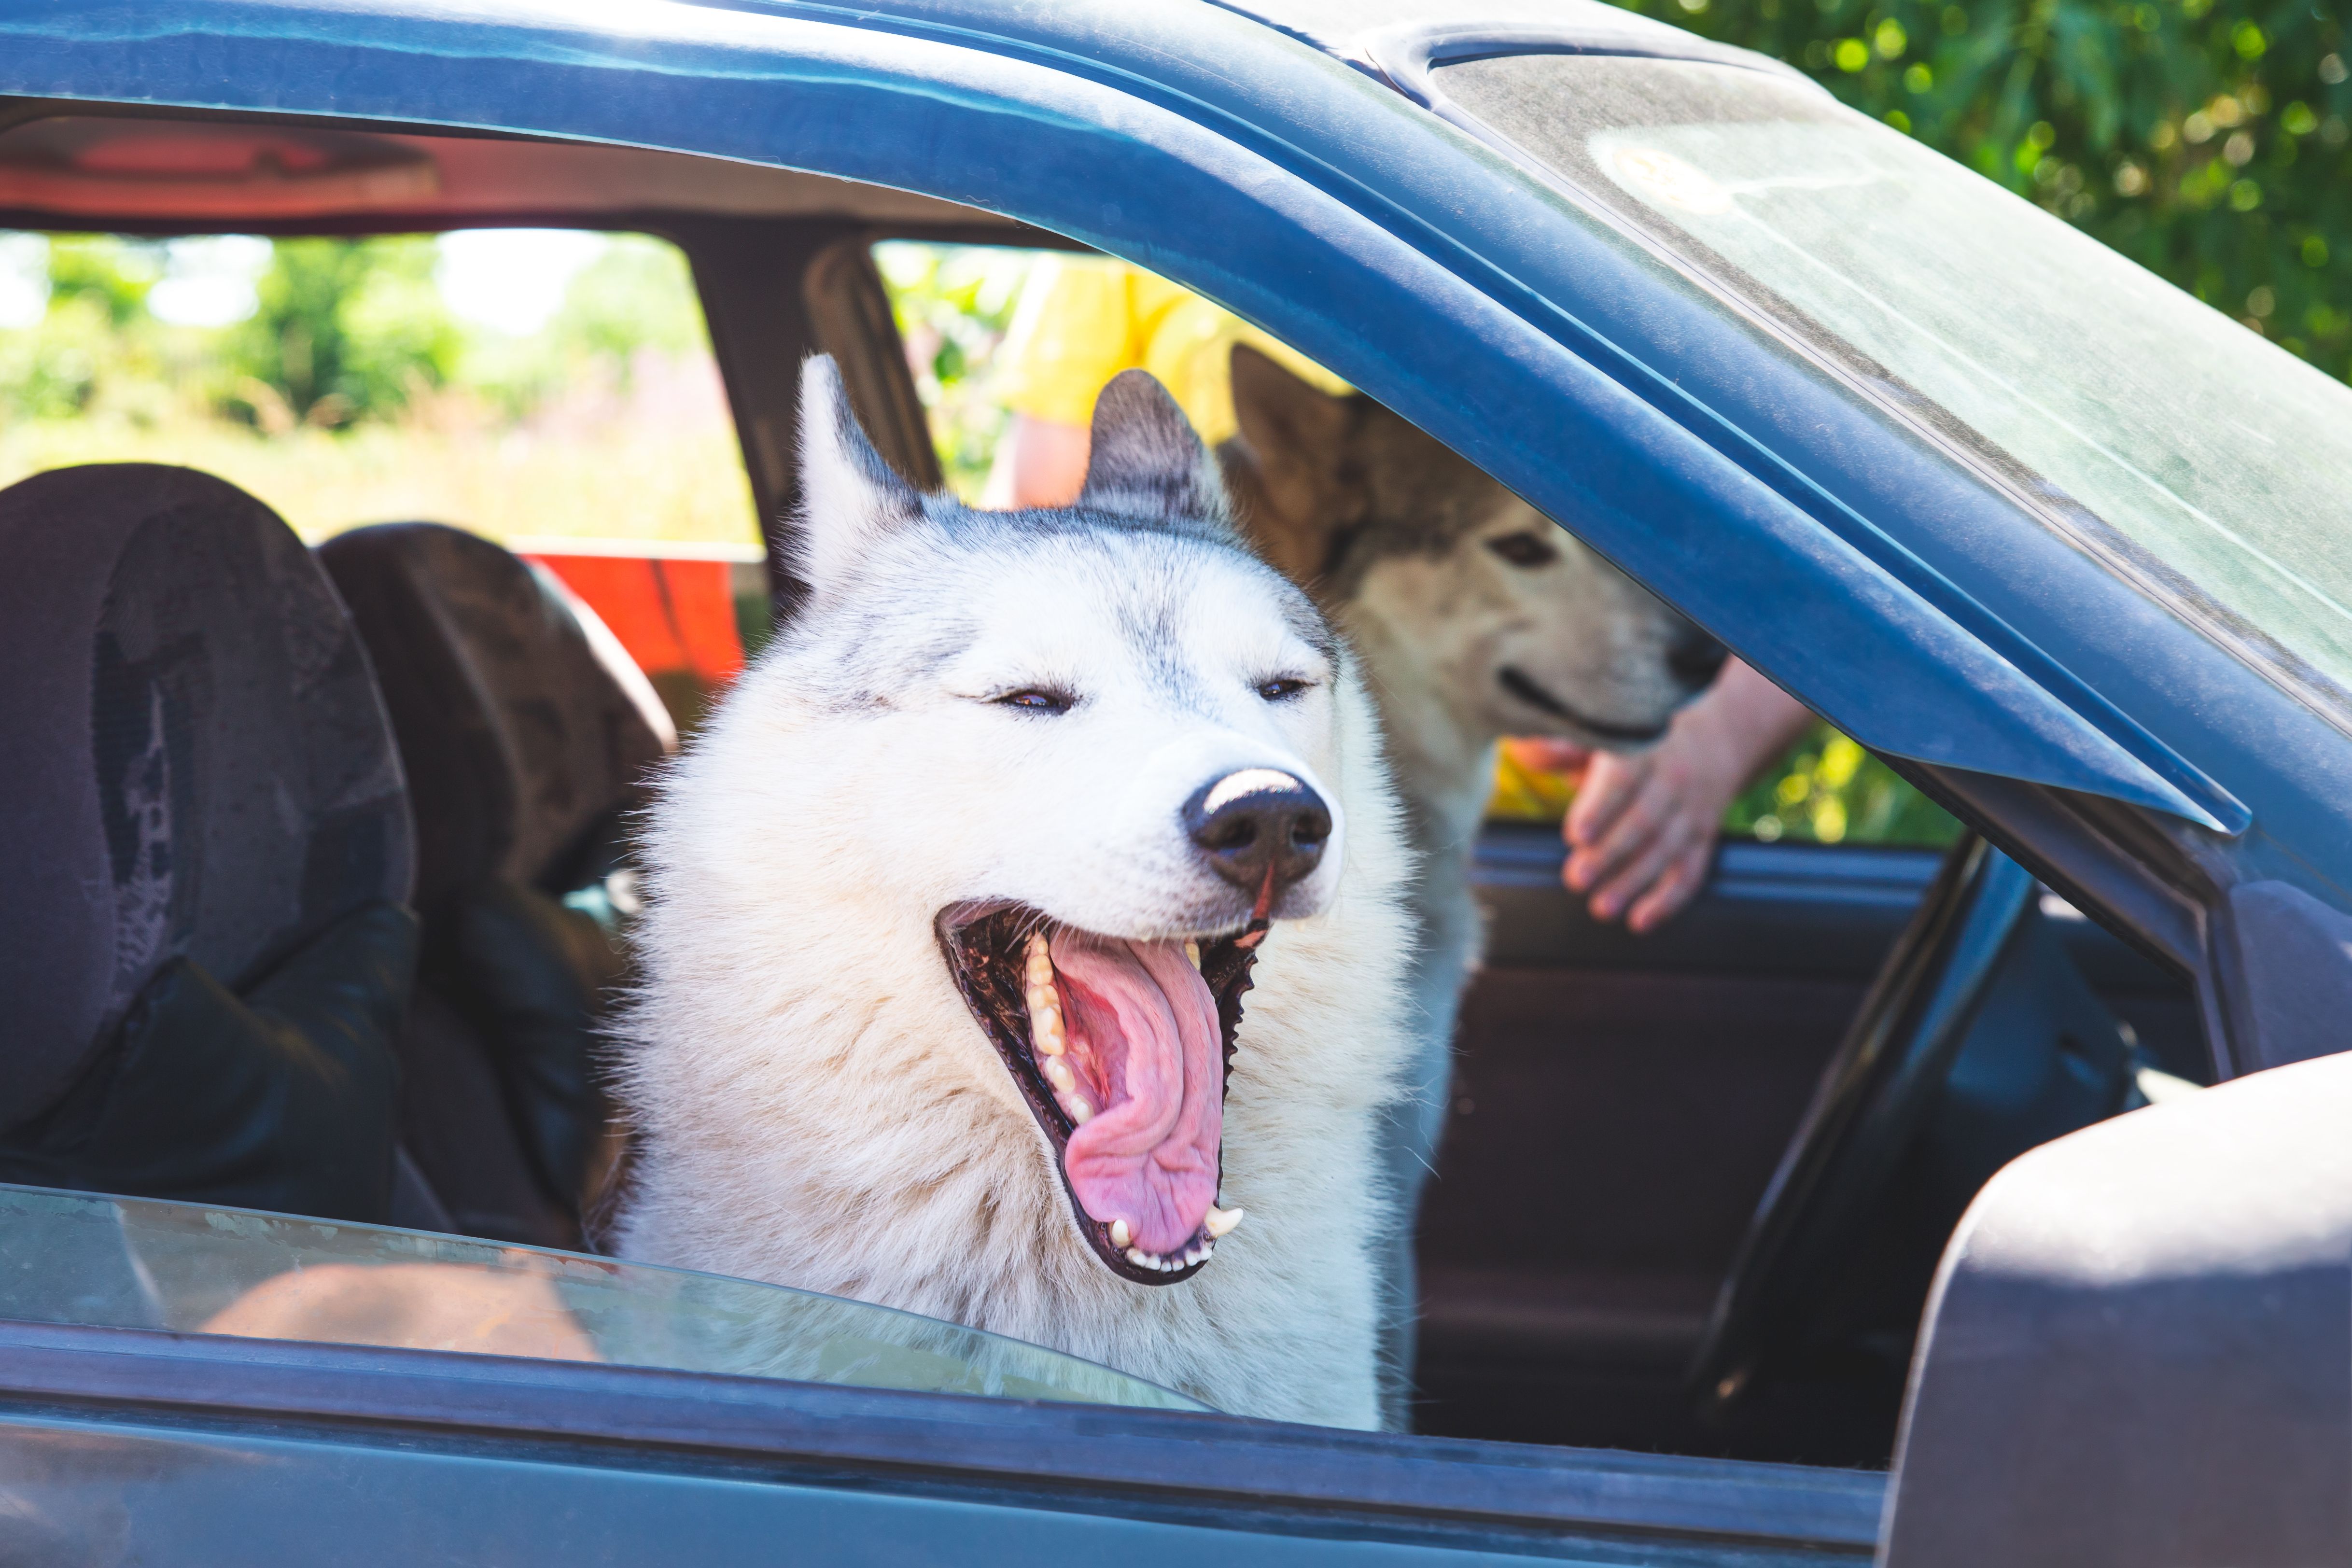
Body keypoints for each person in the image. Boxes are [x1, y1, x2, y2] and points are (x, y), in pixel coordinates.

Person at [988, 254, 1816, 930]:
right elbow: (1054, 548)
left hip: (1560, 862)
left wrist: (1710, 735)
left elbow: (1830, 571)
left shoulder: (1589, 250)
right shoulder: (1129, 216)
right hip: (1212, 843)